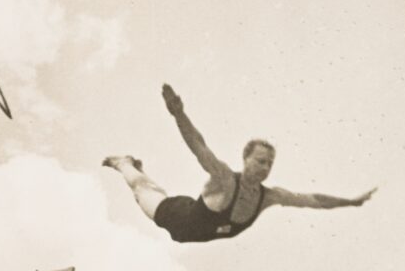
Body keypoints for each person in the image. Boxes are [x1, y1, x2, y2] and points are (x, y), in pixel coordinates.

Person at [103, 84, 377, 244]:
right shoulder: (224, 178)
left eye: (269, 163)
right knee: (141, 190)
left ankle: (137, 168)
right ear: (245, 159)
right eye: (260, 161)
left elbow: (313, 200)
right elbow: (199, 146)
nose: (265, 167)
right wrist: (179, 114)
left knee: (151, 187)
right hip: (175, 218)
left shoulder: (269, 197)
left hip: (193, 215)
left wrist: (350, 202)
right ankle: (124, 163)